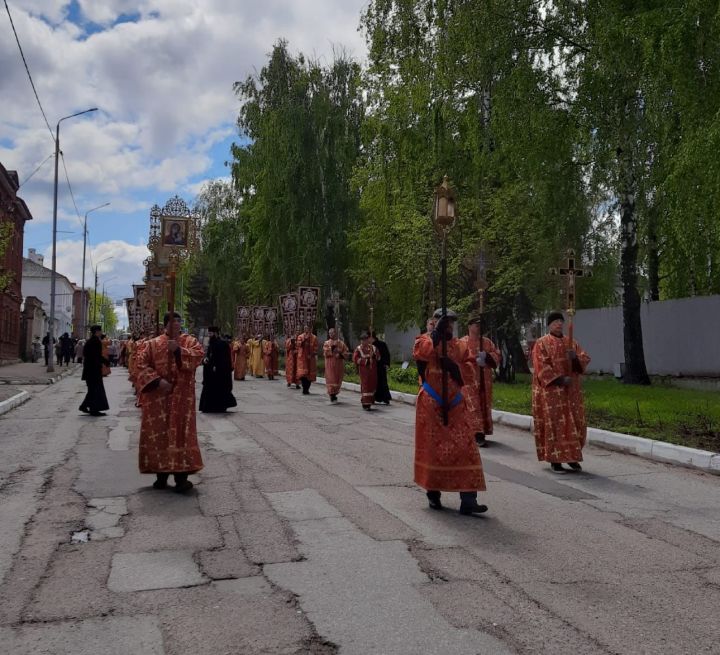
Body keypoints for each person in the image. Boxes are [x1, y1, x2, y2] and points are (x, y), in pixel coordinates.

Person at [413, 309, 487, 515]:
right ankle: (433, 494)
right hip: (431, 403)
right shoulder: (424, 340)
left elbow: (471, 370)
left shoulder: (460, 345)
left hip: (455, 404)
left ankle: (469, 499)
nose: (449, 325)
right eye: (445, 322)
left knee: (467, 448)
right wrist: (436, 334)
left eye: (452, 322)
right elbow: (422, 354)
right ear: (436, 322)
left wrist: (455, 368)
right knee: (433, 450)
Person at [135, 312, 205, 492]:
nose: (177, 326)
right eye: (173, 323)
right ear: (165, 325)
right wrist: (158, 381)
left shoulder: (189, 342)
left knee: (181, 435)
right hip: (158, 399)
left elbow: (198, 355)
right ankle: (161, 476)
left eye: (179, 323)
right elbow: (140, 364)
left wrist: (179, 351)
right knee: (159, 435)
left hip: (182, 399)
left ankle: (181, 478)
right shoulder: (151, 344)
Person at [532, 311, 591, 473]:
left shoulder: (571, 342)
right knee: (556, 425)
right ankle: (555, 460)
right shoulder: (541, 343)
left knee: (575, 422)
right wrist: (559, 379)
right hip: (552, 392)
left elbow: (583, 360)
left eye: (560, 321)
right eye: (555, 321)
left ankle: (572, 457)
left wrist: (575, 359)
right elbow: (541, 366)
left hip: (571, 392)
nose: (559, 324)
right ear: (549, 324)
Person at [460, 316, 501, 447]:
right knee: (473, 406)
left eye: (480, 325)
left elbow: (497, 355)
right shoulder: (462, 342)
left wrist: (488, 357)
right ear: (469, 326)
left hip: (485, 379)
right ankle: (477, 434)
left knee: (484, 404)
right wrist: (472, 359)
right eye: (476, 325)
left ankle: (483, 430)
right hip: (468, 380)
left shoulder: (487, 342)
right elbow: (457, 358)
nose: (479, 327)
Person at [199, 326, 237, 413]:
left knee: (219, 390)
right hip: (210, 373)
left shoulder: (223, 344)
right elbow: (209, 356)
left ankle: (219, 406)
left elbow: (225, 360)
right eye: (208, 333)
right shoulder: (211, 344)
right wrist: (205, 360)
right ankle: (208, 407)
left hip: (220, 373)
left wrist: (218, 366)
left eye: (210, 333)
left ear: (216, 333)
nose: (209, 335)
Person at [79, 325, 110, 416]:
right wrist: (105, 361)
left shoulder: (90, 341)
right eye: (100, 331)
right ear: (97, 331)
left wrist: (104, 361)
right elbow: (96, 356)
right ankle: (94, 409)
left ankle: (84, 406)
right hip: (93, 370)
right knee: (95, 390)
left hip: (90, 369)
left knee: (92, 390)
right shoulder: (95, 341)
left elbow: (91, 355)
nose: (101, 332)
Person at [353, 331, 380, 410]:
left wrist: (374, 356)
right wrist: (365, 361)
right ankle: (365, 403)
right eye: (362, 340)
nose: (364, 341)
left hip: (372, 371)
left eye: (365, 339)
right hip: (364, 371)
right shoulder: (358, 349)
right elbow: (355, 359)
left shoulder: (373, 348)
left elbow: (379, 357)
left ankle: (370, 401)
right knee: (365, 386)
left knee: (372, 385)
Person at [323, 327, 349, 402]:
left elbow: (346, 352)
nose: (331, 334)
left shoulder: (341, 343)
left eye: (332, 333)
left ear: (335, 333)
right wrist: (331, 349)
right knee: (331, 379)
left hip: (338, 365)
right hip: (330, 364)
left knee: (337, 379)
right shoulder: (326, 343)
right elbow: (325, 353)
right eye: (329, 333)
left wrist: (340, 355)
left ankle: (334, 393)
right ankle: (332, 394)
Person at [296, 325, 318, 394]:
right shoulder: (300, 336)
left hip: (310, 359)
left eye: (307, 328)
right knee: (303, 374)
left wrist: (312, 354)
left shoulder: (314, 337)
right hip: (302, 358)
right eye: (305, 328)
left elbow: (316, 347)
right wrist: (303, 340)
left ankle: (307, 388)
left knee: (309, 375)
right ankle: (304, 388)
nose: (306, 330)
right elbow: (298, 344)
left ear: (310, 329)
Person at [372, 331, 392, 405]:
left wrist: (386, 363)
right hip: (372, 367)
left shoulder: (382, 344)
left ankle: (385, 398)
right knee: (374, 383)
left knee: (382, 382)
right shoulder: (368, 346)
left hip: (380, 366)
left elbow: (387, 354)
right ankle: (373, 397)